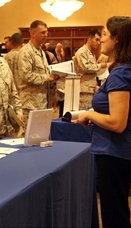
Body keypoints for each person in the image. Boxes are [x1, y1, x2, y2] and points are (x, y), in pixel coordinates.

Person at [77, 16, 131, 227]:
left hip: (114, 152)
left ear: (117, 39)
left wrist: (89, 115)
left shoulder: (120, 74)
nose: (101, 39)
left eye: (105, 35)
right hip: (116, 151)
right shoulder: (122, 69)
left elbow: (118, 122)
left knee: (114, 215)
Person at [17, 20, 57, 135]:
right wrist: (47, 78)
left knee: (41, 137)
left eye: (46, 32)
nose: (46, 35)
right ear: (33, 33)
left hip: (43, 103)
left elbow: (44, 72)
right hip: (31, 104)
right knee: (30, 137)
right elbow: (26, 75)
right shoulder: (26, 52)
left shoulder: (41, 51)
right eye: (43, 32)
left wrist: (54, 76)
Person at [74, 30, 107, 110]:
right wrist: (100, 65)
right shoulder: (82, 52)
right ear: (89, 39)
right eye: (97, 40)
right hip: (84, 89)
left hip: (91, 88)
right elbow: (85, 67)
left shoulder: (91, 53)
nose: (99, 43)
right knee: (84, 113)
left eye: (99, 40)